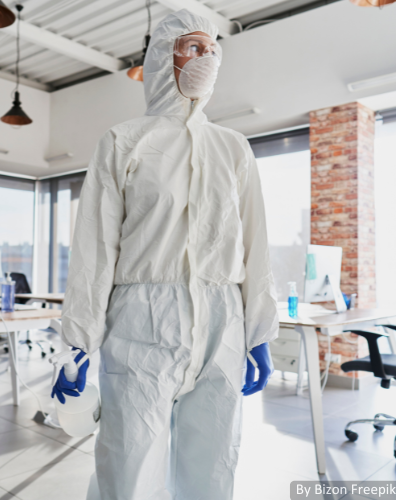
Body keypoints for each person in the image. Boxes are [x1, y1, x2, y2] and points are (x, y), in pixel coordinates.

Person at [52, 9, 279, 500]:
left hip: (223, 324)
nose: (208, 58)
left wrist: (260, 330)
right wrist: (77, 340)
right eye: (194, 47)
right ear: (162, 56)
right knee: (131, 463)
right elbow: (94, 250)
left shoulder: (233, 148)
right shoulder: (124, 142)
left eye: (213, 50)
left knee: (213, 465)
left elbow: (255, 244)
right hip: (141, 321)